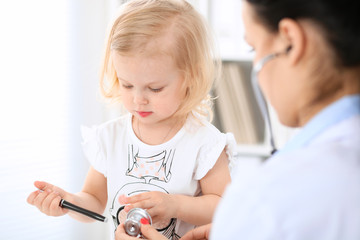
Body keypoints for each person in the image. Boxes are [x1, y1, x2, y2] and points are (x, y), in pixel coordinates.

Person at [115, 0, 360, 239]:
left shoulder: (267, 198)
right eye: (127, 85)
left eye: (254, 48)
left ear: (291, 42)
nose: (139, 99)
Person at [27, 0, 235, 239]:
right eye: (127, 84)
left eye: (154, 89)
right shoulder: (109, 138)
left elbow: (224, 207)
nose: (138, 100)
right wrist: (67, 201)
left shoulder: (204, 143)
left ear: (190, 76)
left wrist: (175, 205)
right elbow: (94, 201)